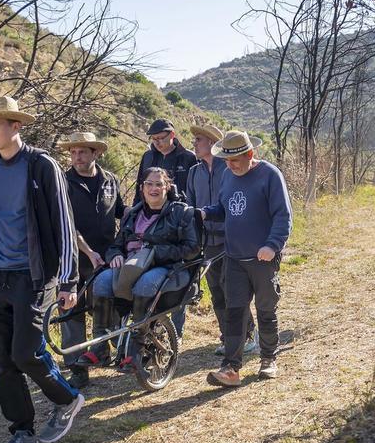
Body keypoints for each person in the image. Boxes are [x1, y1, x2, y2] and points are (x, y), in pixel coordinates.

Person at [0, 95, 84, 443]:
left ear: (16, 126)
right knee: (1, 359)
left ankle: (66, 399)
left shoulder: (41, 166)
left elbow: (64, 224)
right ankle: (22, 432)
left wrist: (68, 281)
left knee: (26, 352)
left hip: (34, 276)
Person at [200, 130, 292, 387]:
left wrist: (272, 245)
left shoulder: (270, 175)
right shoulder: (228, 176)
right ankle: (231, 369)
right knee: (235, 312)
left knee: (266, 309)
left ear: (250, 154)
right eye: (226, 161)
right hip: (234, 258)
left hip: (263, 259)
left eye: (235, 160)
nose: (229, 166)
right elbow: (225, 208)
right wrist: (206, 214)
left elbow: (283, 216)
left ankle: (268, 359)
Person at [93, 166, 201, 370]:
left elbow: (192, 248)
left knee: (145, 284)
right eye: (149, 184)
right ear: (142, 188)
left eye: (159, 184)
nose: (154, 188)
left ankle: (136, 350)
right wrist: (115, 254)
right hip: (131, 267)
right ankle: (99, 346)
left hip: (169, 269)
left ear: (167, 187)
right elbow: (117, 244)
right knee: (102, 281)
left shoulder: (181, 213)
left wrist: (155, 254)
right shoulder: (133, 215)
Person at [57, 131, 125, 389]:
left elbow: (120, 211)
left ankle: (105, 353)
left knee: (106, 306)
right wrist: (88, 252)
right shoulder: (62, 182)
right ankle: (77, 369)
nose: (77, 157)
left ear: (96, 153)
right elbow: (65, 225)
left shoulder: (110, 180)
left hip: (106, 258)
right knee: (71, 313)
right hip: (72, 260)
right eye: (73, 153)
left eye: (82, 152)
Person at [183, 123, 257, 358]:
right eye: (194, 140)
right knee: (216, 292)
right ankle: (228, 337)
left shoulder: (230, 170)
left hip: (232, 239)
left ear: (212, 144)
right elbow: (192, 207)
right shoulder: (194, 173)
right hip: (208, 242)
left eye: (199, 140)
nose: (194, 143)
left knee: (234, 289)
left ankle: (247, 334)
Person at [136, 118, 196, 203]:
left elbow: (196, 191)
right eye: (153, 139)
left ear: (172, 135)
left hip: (179, 211)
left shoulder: (189, 157)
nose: (157, 142)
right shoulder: (147, 156)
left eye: (160, 138)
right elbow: (139, 186)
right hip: (149, 211)